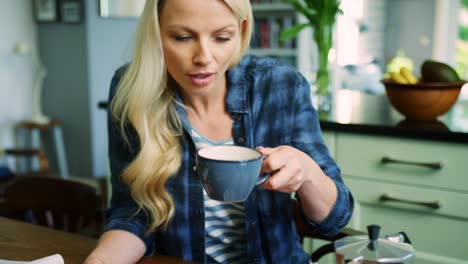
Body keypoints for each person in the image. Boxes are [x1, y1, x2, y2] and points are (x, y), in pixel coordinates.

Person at [85, 0, 354, 263]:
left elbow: (335, 219)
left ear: (241, 31)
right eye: (182, 37)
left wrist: (307, 173)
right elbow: (132, 213)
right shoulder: (133, 90)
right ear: (156, 33)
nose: (203, 57)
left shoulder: (281, 85)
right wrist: (101, 259)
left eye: (222, 37)